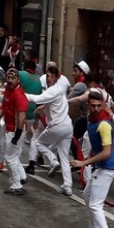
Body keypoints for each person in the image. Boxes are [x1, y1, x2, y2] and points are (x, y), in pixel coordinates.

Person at [72, 90, 114, 228]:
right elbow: (97, 144)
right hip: (101, 166)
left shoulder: (104, 125)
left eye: (99, 106)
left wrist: (84, 162)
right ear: (88, 105)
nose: (96, 109)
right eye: (93, 105)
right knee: (87, 195)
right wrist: (89, 156)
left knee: (95, 204)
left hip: (107, 167)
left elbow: (106, 152)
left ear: (103, 105)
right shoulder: (90, 120)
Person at [25, 65, 75, 195]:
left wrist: (20, 94)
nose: (48, 78)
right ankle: (68, 186)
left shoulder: (53, 91)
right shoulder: (59, 91)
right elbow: (50, 102)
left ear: (56, 78)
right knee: (64, 156)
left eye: (51, 76)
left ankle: (53, 161)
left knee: (38, 143)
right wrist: (42, 108)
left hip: (57, 126)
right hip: (68, 127)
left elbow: (36, 99)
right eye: (47, 75)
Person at [0, 68, 29, 196]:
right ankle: (20, 178)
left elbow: (22, 115)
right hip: (10, 129)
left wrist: (18, 133)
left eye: (13, 78)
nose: (10, 80)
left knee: (10, 158)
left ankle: (16, 184)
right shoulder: (9, 91)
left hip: (15, 130)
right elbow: (4, 106)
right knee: (13, 157)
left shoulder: (18, 94)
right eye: (8, 77)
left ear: (18, 79)